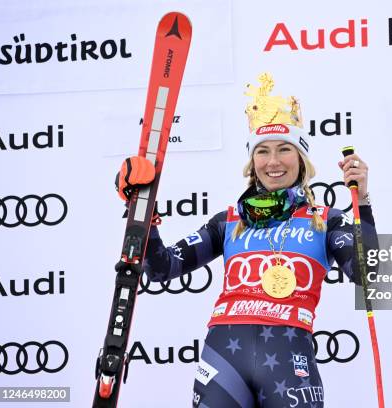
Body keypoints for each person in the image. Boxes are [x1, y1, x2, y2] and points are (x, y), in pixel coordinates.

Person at [115, 74, 378, 408]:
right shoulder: (229, 222)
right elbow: (160, 268)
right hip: (222, 361)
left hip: (288, 361)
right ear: (252, 162)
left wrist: (363, 203)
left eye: (285, 149)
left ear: (302, 159)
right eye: (262, 151)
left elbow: (370, 274)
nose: (273, 161)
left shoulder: (326, 219)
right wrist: (142, 211)